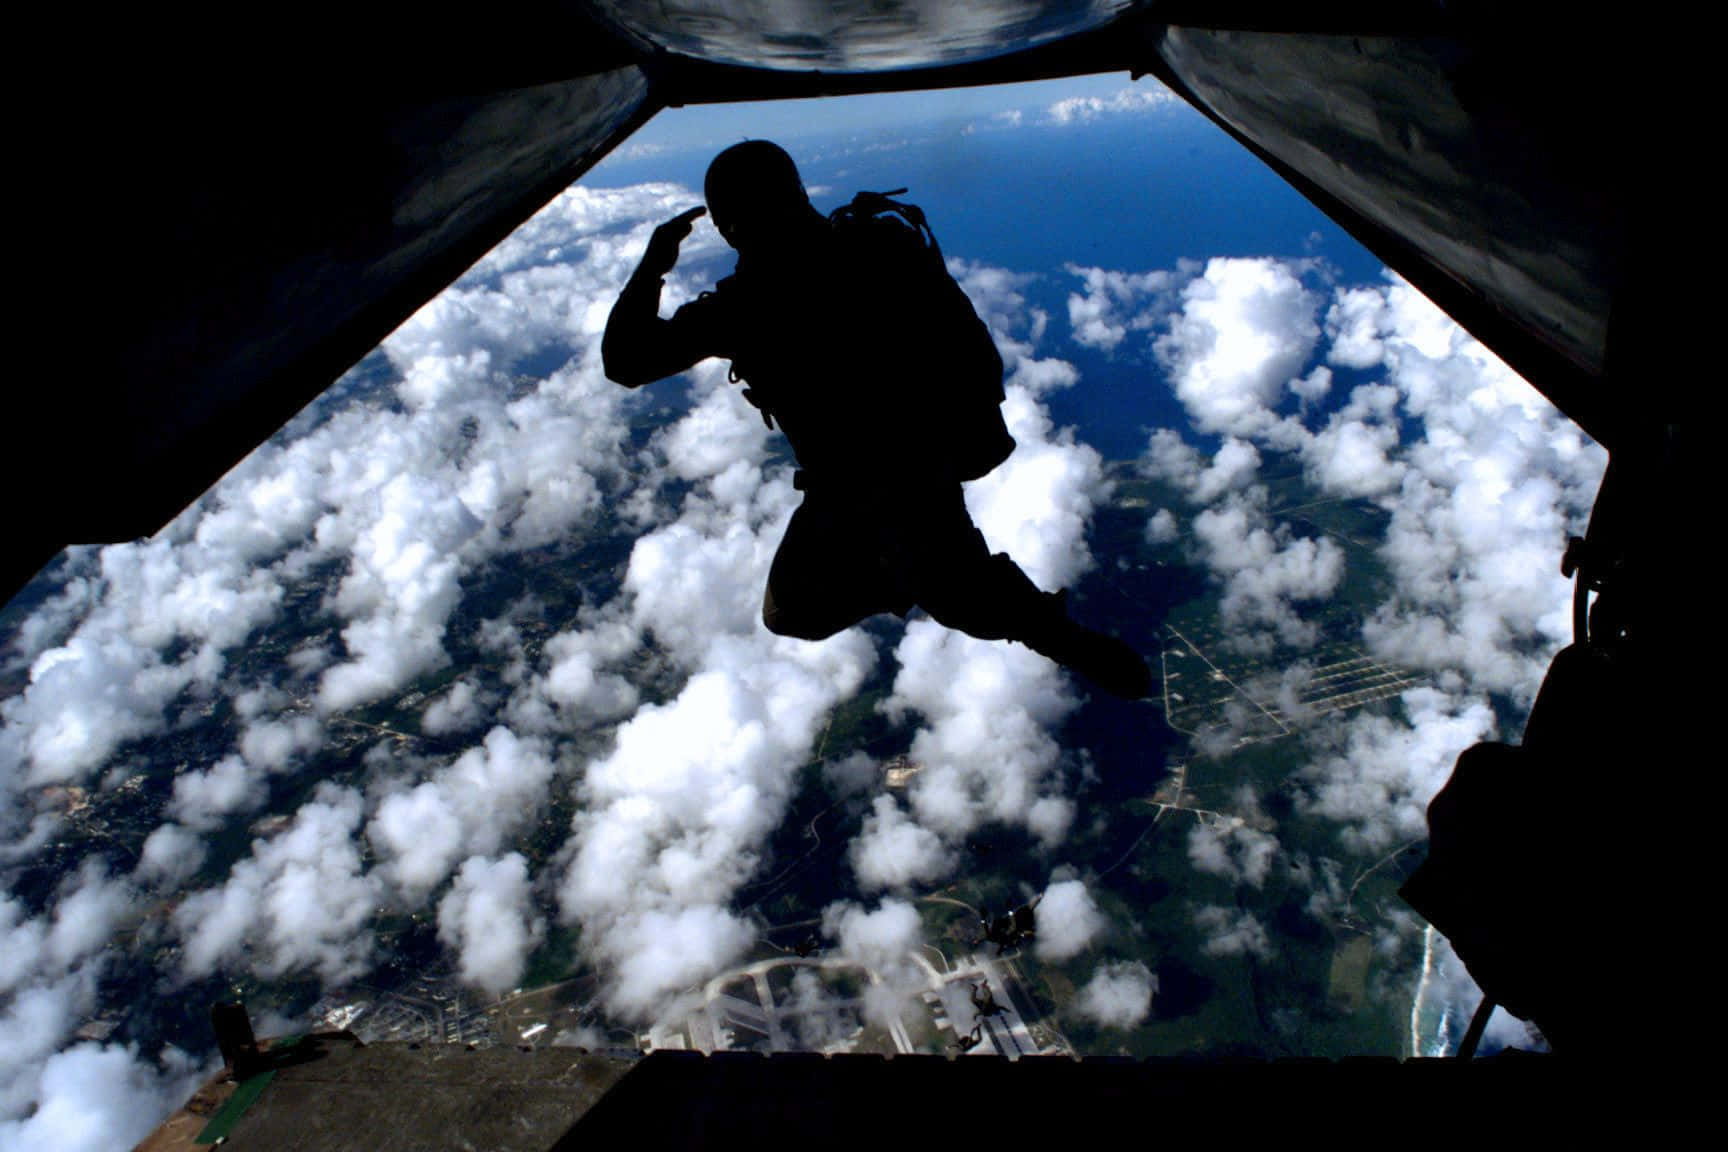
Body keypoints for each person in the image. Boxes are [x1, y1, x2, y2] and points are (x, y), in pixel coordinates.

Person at [603, 140, 1150, 699]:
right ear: (797, 193)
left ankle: (918, 575)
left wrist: (654, 265)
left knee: (794, 612)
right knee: (953, 591)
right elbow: (962, 342)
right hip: (925, 462)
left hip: (852, 491)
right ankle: (1042, 627)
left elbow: (624, 362)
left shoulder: (744, 307)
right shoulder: (883, 245)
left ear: (729, 225)